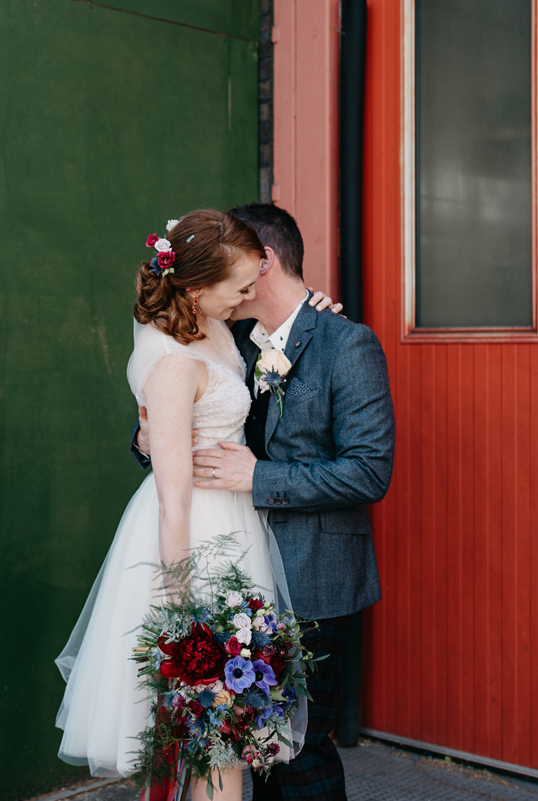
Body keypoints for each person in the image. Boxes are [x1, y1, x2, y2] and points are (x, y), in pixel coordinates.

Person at [137, 203, 395, 801]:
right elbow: (193, 414)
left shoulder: (346, 344)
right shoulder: (232, 342)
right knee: (242, 748)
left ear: (263, 262)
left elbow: (368, 472)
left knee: (296, 754)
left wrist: (260, 477)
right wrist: (149, 435)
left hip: (314, 577)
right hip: (237, 573)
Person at [54, 209, 301, 801]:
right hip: (190, 539)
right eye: (241, 286)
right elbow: (171, 500)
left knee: (225, 737)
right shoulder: (171, 362)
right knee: (210, 733)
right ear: (194, 287)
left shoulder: (219, 325)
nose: (250, 295)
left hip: (237, 526)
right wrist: (180, 605)